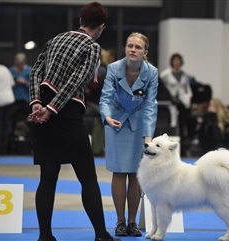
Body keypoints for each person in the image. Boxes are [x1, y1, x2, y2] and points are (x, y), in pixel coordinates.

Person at [28, 2, 120, 241]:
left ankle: (45, 236)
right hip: (66, 114)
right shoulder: (92, 46)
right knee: (88, 177)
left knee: (47, 178)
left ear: (81, 21)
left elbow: (35, 72)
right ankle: (101, 235)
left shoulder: (55, 39)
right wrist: (52, 108)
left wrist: (37, 102)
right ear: (100, 27)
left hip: (42, 113)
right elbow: (76, 81)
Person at [99, 32, 158, 237]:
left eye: (138, 47)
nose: (133, 49)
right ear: (125, 48)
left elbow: (150, 105)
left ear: (145, 52)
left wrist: (148, 137)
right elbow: (105, 98)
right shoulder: (114, 68)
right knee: (119, 171)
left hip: (139, 125)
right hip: (115, 123)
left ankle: (133, 222)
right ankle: (120, 222)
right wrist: (106, 117)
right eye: (130, 46)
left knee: (135, 173)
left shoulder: (151, 72)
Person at [160, 53, 193, 155]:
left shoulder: (184, 75)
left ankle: (182, 150)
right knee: (172, 126)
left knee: (183, 126)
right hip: (170, 103)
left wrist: (188, 97)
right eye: (175, 60)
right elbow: (161, 87)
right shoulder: (165, 74)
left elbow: (188, 89)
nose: (177, 62)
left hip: (182, 103)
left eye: (178, 60)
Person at [10, 52, 32, 121]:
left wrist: (25, 82)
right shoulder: (12, 70)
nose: (19, 66)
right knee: (13, 119)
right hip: (14, 99)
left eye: (20, 64)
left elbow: (33, 86)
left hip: (25, 99)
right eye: (17, 64)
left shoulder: (29, 70)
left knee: (26, 119)